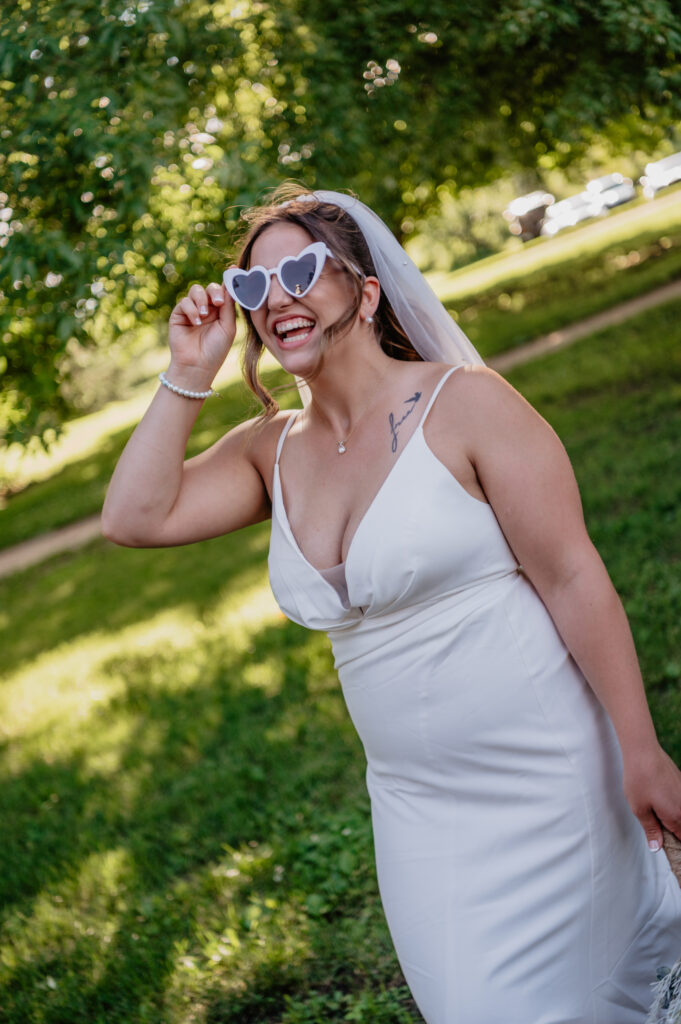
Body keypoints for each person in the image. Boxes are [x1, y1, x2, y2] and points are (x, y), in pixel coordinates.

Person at [102, 185, 681, 1023]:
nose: (277, 299)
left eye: (300, 269)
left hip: (554, 781)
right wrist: (186, 373)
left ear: (365, 291)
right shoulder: (269, 452)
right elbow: (133, 517)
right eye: (253, 286)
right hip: (418, 812)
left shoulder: (468, 405)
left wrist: (641, 749)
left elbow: (570, 574)